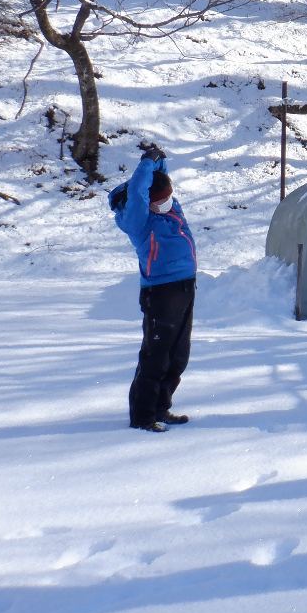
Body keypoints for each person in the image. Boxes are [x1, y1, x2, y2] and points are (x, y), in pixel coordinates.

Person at [108, 144, 197, 433]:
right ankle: (142, 416)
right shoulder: (139, 221)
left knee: (178, 355)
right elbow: (138, 192)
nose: (170, 201)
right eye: (163, 199)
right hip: (161, 293)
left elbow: (159, 184)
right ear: (148, 202)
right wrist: (146, 163)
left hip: (185, 287)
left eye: (170, 196)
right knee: (155, 357)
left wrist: (160, 162)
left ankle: (161, 407)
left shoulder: (169, 208)